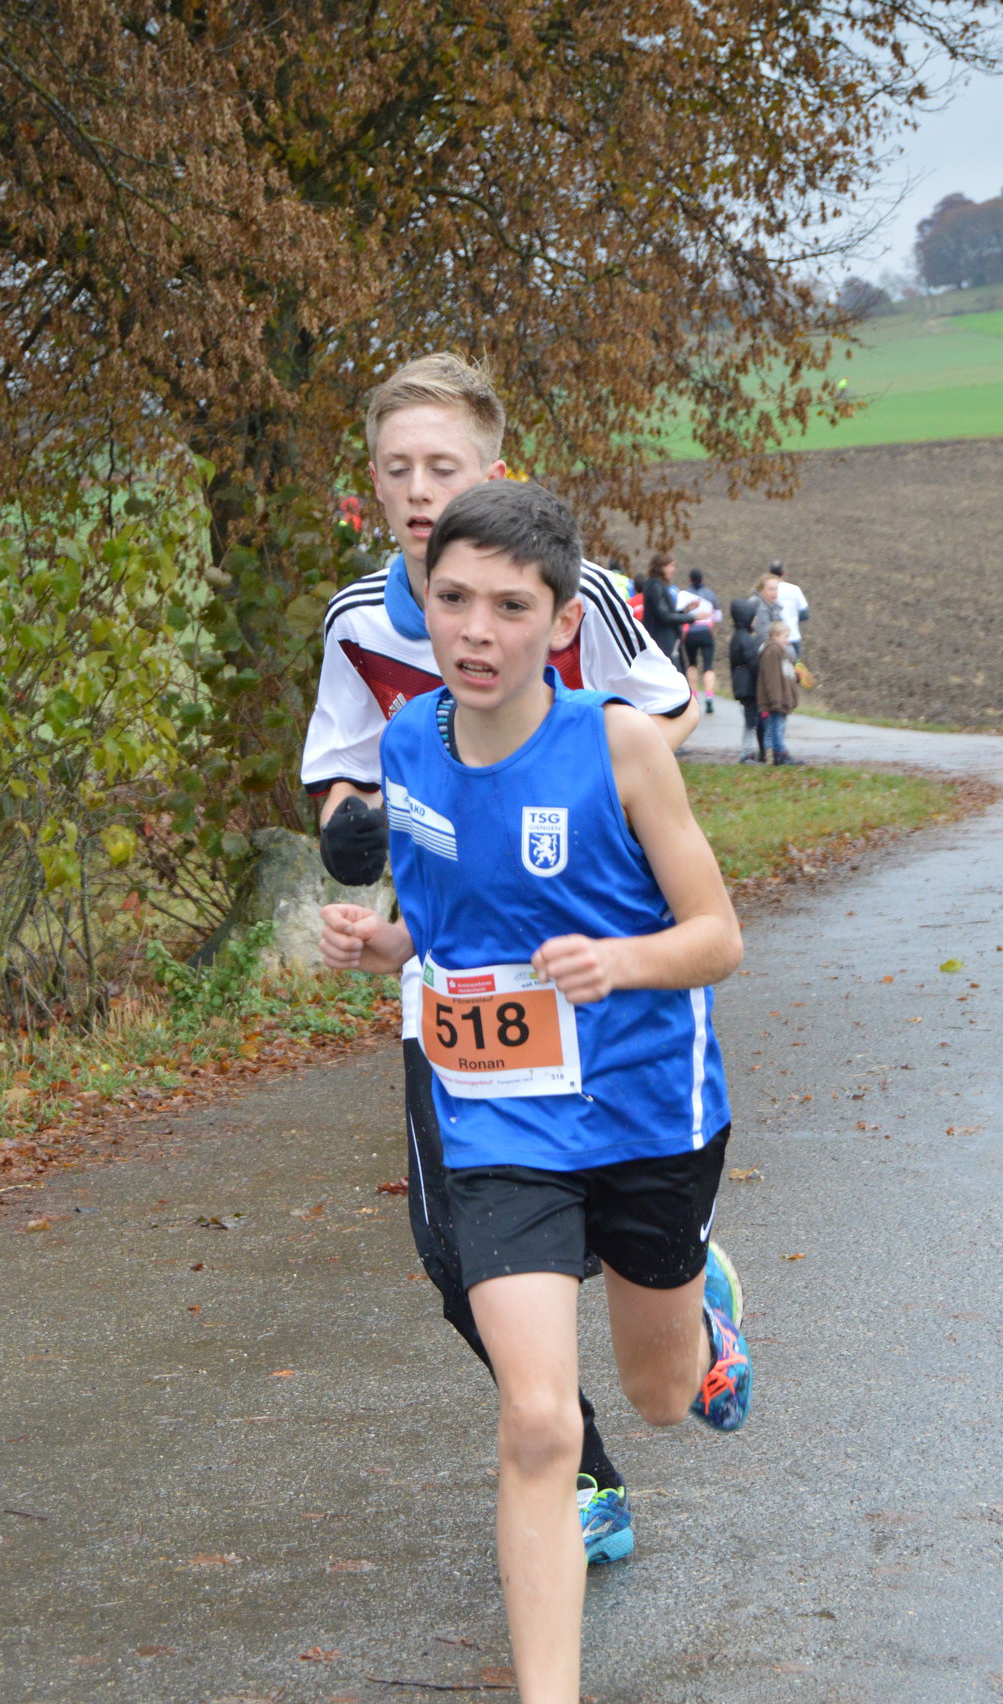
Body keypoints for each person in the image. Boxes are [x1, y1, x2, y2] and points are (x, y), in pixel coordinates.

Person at [320, 482, 750, 1704]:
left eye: (511, 607)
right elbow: (451, 918)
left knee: (660, 1396)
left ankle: (700, 1310)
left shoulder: (617, 745)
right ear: (423, 604)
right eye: (453, 600)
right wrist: (389, 948)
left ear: (561, 625)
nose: (477, 630)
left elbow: (718, 934)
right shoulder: (405, 746)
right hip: (501, 1119)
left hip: (646, 1114)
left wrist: (619, 960)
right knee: (537, 1419)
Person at [301, 353, 699, 1571]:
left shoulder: (573, 592)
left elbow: (666, 707)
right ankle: (578, 1468)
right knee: (456, 1260)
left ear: (493, 471)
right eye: (397, 469)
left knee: (622, 1236)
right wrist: (349, 829)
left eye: (444, 466)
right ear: (372, 487)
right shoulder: (361, 620)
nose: (420, 490)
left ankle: (680, 1274)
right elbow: (340, 773)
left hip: (590, 966)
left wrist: (584, 797)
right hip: (454, 983)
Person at [728, 594, 767, 761]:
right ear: (747, 618)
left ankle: (752, 751)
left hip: (741, 685)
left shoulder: (737, 637)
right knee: (751, 721)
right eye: (754, 616)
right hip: (749, 686)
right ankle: (747, 752)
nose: (756, 619)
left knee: (751, 718)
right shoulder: (746, 640)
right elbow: (754, 663)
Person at [756, 619, 800, 765]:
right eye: (785, 636)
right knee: (776, 726)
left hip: (779, 697)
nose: (788, 640)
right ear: (775, 635)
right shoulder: (773, 650)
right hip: (777, 699)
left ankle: (771, 755)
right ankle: (779, 753)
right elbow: (772, 677)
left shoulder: (777, 650)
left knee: (773, 726)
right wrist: (776, 699)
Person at [639, 554, 697, 663]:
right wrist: (693, 617)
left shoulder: (659, 585)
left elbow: (666, 613)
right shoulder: (655, 586)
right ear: (661, 568)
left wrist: (686, 610)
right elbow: (664, 615)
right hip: (662, 641)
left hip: (666, 640)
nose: (673, 570)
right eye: (671, 566)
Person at [680, 567, 720, 714]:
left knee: (692, 664)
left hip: (690, 632)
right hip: (706, 631)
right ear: (702, 579)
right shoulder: (710, 594)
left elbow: (679, 612)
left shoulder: (684, 594)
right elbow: (718, 616)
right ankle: (709, 696)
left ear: (690, 580)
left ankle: (694, 695)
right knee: (708, 666)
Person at [766, 559, 809, 656]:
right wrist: (793, 619)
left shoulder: (767, 591)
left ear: (768, 573)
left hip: (775, 639)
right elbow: (805, 614)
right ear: (784, 573)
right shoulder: (795, 589)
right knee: (796, 664)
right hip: (793, 637)